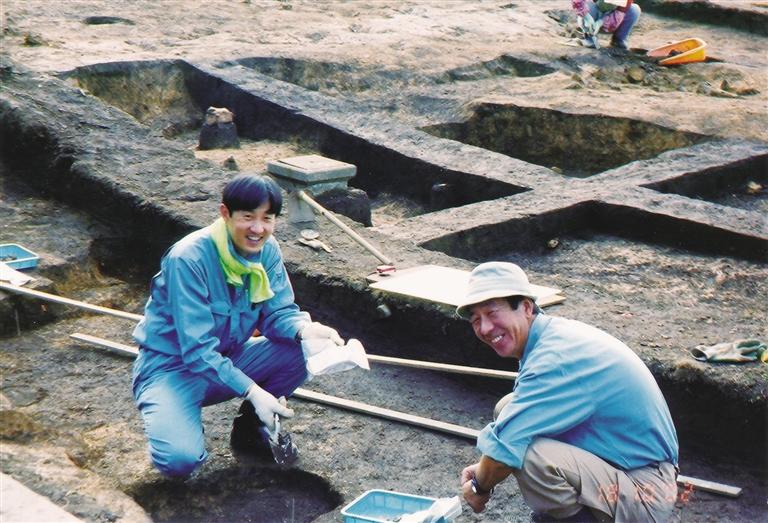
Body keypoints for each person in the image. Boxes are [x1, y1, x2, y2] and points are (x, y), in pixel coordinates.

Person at [131, 173, 344, 478]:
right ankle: (178, 418)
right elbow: (197, 350)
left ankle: (251, 429)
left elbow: (278, 313)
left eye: (267, 218)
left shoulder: (267, 250)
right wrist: (253, 391)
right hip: (171, 369)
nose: (258, 228)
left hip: (228, 359)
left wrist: (305, 330)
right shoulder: (188, 259)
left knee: (303, 349)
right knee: (180, 460)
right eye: (248, 217)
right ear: (225, 213)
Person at [456, 262, 679, 522]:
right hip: (628, 467)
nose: (485, 328)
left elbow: (504, 449)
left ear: (526, 307)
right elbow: (508, 437)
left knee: (530, 456)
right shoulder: (551, 336)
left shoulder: (555, 359)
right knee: (509, 408)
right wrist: (485, 468)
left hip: (646, 492)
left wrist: (479, 486)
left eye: (492, 313)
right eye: (476, 320)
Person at [573, 0, 642, 50]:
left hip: (609, 22)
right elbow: (578, 2)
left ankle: (619, 39)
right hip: (591, 15)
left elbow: (619, 15)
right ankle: (587, 37)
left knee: (634, 10)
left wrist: (601, 22)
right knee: (588, 4)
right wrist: (586, 16)